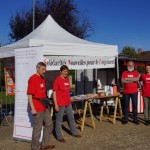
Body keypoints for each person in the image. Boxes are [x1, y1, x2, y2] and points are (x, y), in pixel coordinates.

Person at [27, 62, 55, 150]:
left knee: (49, 124)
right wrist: (33, 108)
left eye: (45, 69)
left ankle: (44, 145)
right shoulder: (32, 78)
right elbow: (29, 95)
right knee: (37, 128)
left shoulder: (42, 78)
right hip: (37, 107)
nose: (44, 71)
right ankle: (35, 148)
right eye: (43, 69)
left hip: (44, 105)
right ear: (37, 68)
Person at [53, 65, 81, 142]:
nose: (66, 73)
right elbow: (54, 93)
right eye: (64, 71)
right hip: (60, 103)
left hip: (67, 102)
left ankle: (74, 132)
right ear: (60, 71)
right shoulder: (57, 80)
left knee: (71, 117)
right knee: (59, 120)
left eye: (67, 71)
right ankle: (59, 137)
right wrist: (55, 104)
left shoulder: (67, 79)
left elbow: (68, 91)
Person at [121, 61, 139, 125]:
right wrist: (132, 80)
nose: (130, 66)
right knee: (125, 106)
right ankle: (125, 119)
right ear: (127, 66)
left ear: (133, 66)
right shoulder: (124, 72)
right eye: (129, 65)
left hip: (134, 92)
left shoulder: (136, 72)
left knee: (135, 106)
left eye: (131, 65)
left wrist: (127, 79)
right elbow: (123, 80)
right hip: (126, 92)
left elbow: (137, 79)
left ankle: (135, 119)